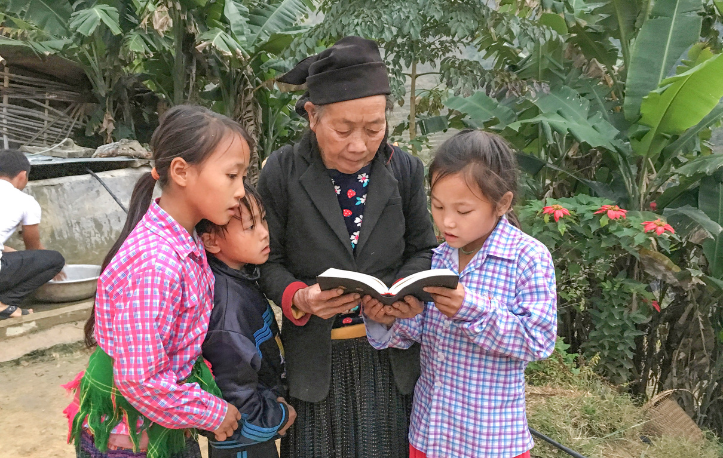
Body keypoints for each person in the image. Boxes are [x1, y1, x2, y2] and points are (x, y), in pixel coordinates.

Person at [257, 36, 438, 458]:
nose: (359, 145)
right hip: (316, 363)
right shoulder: (282, 172)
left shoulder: (404, 169)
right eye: (343, 129)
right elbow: (266, 262)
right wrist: (297, 297)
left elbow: (424, 248)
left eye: (374, 129)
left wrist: (407, 296)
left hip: (390, 356)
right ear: (311, 116)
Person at [64, 105, 251, 458]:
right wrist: (213, 412)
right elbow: (140, 380)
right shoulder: (157, 263)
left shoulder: (187, 241)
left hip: (158, 432)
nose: (241, 190)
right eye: (232, 176)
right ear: (181, 171)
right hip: (131, 445)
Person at [364, 130, 558, 458]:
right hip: (431, 433)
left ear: (502, 203)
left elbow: (538, 341)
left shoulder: (527, 257)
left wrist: (470, 308)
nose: (447, 221)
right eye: (437, 206)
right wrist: (391, 318)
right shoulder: (436, 258)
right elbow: (418, 334)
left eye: (463, 211)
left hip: (492, 441)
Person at [197, 182, 296, 458]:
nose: (265, 233)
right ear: (210, 240)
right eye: (251, 227)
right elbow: (236, 402)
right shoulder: (228, 307)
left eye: (263, 220)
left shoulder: (241, 277)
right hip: (242, 444)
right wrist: (278, 416)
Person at [0, 149, 65, 319]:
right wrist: (48, 264)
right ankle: (4, 304)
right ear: (22, 175)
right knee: (54, 260)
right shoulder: (25, 201)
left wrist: (11, 252)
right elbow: (33, 248)